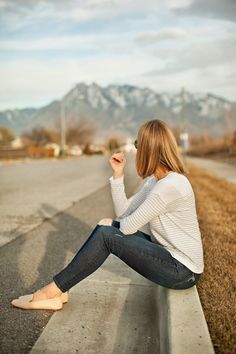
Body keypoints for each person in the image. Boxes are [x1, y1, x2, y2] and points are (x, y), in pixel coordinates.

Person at [11, 119, 204, 310]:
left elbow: (127, 226)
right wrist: (118, 174)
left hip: (183, 271)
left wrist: (110, 229)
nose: (136, 150)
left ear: (148, 150)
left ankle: (50, 293)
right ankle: (59, 291)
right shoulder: (156, 181)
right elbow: (124, 212)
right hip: (168, 255)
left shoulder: (169, 186)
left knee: (106, 234)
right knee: (107, 226)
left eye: (138, 144)